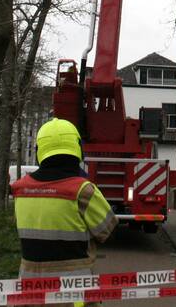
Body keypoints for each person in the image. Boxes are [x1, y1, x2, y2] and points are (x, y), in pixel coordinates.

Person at [10, 118, 117, 293]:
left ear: (39, 150)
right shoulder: (83, 191)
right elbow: (109, 233)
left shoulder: (20, 190)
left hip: (29, 292)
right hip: (73, 294)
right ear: (78, 148)